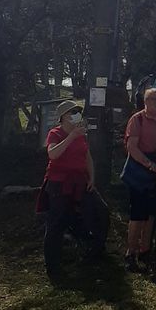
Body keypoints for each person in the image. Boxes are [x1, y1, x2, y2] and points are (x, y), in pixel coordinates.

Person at [38, 100, 109, 280]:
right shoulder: (55, 133)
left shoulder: (81, 135)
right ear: (63, 117)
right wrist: (71, 136)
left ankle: (95, 250)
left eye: (78, 111)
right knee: (56, 223)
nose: (76, 114)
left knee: (101, 212)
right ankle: (53, 266)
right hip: (59, 183)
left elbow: (87, 157)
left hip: (80, 181)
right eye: (72, 112)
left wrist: (92, 177)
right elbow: (53, 154)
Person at [121, 88, 156, 272]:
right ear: (146, 101)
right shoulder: (137, 119)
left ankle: (145, 250)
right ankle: (131, 253)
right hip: (139, 172)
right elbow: (132, 148)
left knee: (152, 213)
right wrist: (150, 165)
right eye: (154, 99)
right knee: (138, 214)